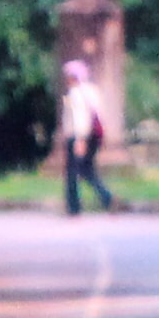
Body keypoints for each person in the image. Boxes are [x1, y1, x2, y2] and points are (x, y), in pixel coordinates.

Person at [55, 56, 114, 214]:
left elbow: (79, 118)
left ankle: (74, 207)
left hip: (79, 136)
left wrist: (79, 140)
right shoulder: (92, 91)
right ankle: (106, 197)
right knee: (88, 170)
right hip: (93, 136)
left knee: (73, 172)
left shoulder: (75, 93)